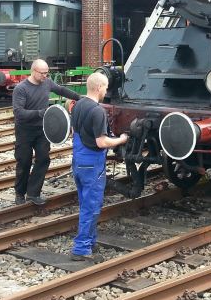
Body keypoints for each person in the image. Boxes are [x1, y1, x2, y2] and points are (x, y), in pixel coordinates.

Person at [70, 71, 128, 260]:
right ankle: (81, 248)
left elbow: (74, 131)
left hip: (78, 160)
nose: (106, 91)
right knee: (92, 206)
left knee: (85, 203)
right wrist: (121, 139)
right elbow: (102, 142)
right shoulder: (97, 111)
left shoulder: (78, 105)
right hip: (92, 164)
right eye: (105, 87)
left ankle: (90, 240)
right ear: (99, 87)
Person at [12, 59, 80, 205]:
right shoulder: (21, 89)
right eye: (42, 73)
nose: (45, 76)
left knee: (43, 159)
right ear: (33, 71)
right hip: (24, 130)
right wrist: (40, 113)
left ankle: (33, 193)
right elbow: (18, 112)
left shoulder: (47, 83)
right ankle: (19, 193)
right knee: (24, 161)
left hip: (42, 129)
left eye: (46, 73)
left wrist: (79, 98)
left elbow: (61, 90)